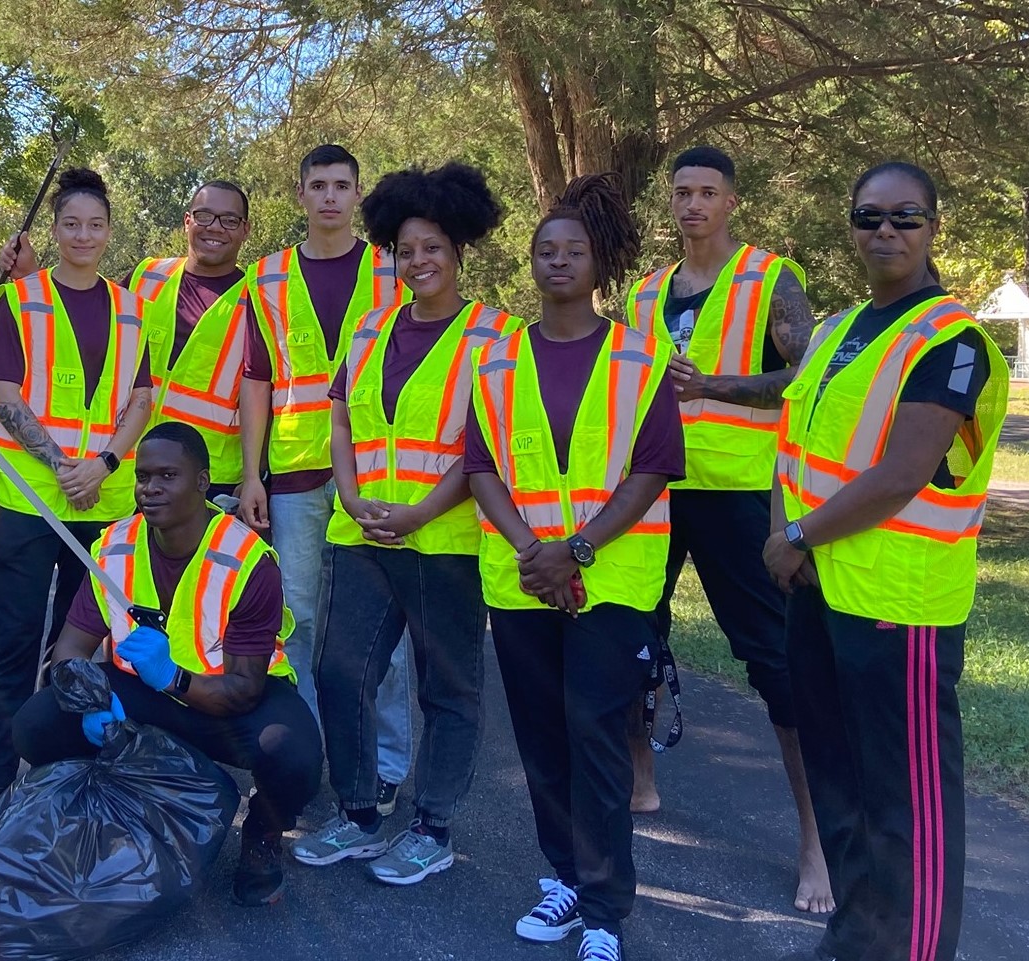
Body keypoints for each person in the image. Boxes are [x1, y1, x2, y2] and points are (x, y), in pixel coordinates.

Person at [767, 161, 1005, 961]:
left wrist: (795, 538)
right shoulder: (835, 331)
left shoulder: (952, 339)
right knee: (841, 792)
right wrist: (784, 538)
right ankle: (856, 939)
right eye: (870, 218)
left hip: (898, 606)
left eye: (905, 217)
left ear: (934, 228)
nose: (886, 232)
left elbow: (903, 471)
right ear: (852, 227)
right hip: (819, 589)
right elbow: (791, 445)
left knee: (908, 809)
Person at [468, 174, 684, 961]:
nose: (559, 262)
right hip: (522, 579)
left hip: (612, 579)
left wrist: (576, 549)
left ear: (600, 264)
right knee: (540, 738)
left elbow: (652, 468)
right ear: (531, 263)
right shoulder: (497, 359)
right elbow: (481, 464)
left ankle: (603, 911)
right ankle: (562, 875)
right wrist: (534, 548)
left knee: (595, 730)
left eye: (575, 250)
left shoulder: (640, 354)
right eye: (545, 250)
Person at [623, 145, 831, 912]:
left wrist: (717, 384)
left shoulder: (770, 279)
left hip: (740, 492)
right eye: (681, 192)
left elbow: (806, 383)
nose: (692, 205)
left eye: (707, 192)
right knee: (634, 637)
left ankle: (815, 842)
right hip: (652, 490)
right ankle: (641, 779)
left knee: (774, 661)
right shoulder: (645, 295)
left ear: (731, 202)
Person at [292, 163, 505, 885]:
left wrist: (418, 510)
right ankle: (357, 813)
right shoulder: (372, 326)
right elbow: (344, 413)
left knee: (448, 689)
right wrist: (350, 497)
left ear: (459, 253)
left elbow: (487, 444)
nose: (418, 262)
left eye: (433, 249)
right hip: (362, 537)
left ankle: (433, 825)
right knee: (338, 671)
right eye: (406, 250)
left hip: (443, 540)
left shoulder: (494, 336)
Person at [9, 422, 323, 907]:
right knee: (37, 724)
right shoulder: (113, 547)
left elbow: (244, 690)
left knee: (294, 754)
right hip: (139, 696)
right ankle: (110, 813)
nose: (150, 489)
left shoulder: (247, 560)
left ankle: (262, 833)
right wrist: (91, 701)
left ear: (202, 482)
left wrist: (173, 676)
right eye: (143, 477)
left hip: (225, 700)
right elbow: (68, 651)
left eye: (167, 476)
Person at [0, 167, 154, 866]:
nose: (84, 236)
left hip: (105, 508)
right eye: (71, 225)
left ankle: (60, 791)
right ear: (53, 232)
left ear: (108, 232)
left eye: (96, 225)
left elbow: (141, 400)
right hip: (34, 506)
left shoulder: (128, 308)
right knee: (12, 654)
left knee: (82, 661)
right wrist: (65, 463)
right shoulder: (20, 302)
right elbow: (2, 393)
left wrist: (108, 464)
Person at [239, 144, 414, 815]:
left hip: (377, 471)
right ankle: (311, 756)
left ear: (359, 192)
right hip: (294, 473)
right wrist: (253, 472)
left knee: (381, 634)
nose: (332, 197)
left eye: (344, 184)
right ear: (301, 193)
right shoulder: (271, 276)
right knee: (302, 621)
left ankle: (389, 762)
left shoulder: (392, 269)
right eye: (320, 185)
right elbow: (258, 379)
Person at [125, 180, 254, 498]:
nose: (215, 228)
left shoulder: (259, 298)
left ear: (245, 230)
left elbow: (268, 394)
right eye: (205, 216)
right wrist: (26, 275)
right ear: (187, 221)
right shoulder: (146, 277)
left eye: (229, 220)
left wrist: (255, 475)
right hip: (130, 465)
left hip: (209, 478)